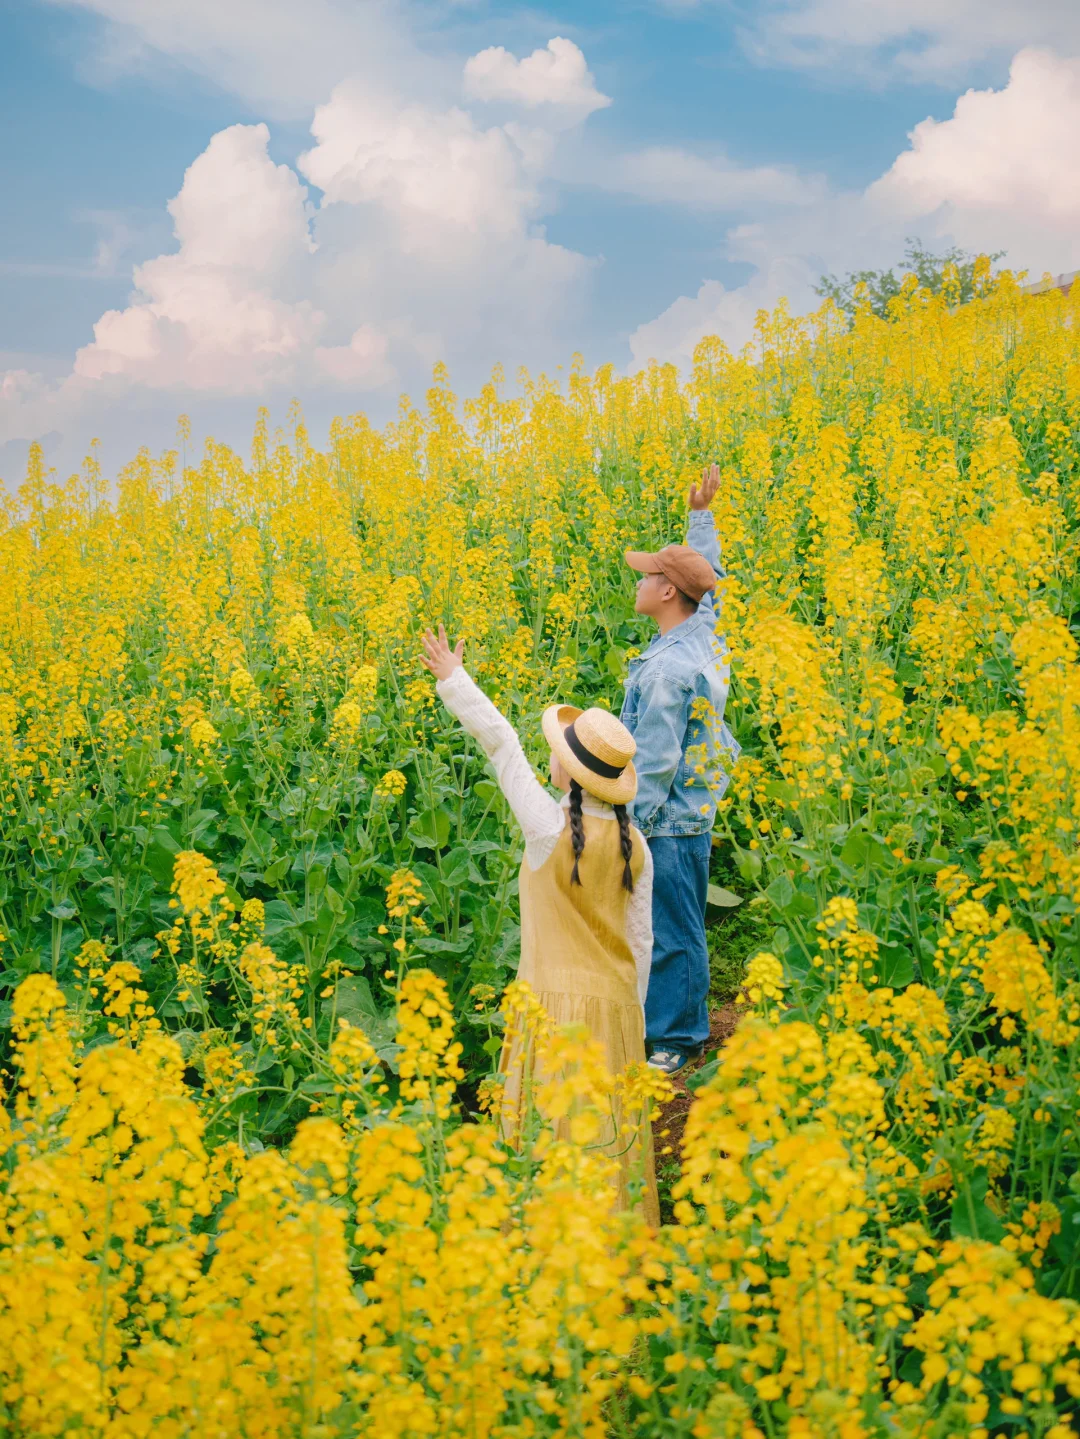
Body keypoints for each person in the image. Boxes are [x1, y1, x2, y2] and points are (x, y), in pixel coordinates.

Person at [421, 625, 659, 1223]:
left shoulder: (547, 829)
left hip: (553, 1009)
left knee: (548, 1135)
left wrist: (454, 678)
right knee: (608, 1138)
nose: (548, 756)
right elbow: (641, 940)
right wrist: (633, 1015)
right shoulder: (638, 844)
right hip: (616, 1011)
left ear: (571, 772)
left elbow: (502, 746)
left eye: (556, 751)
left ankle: (543, 1248)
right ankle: (611, 1250)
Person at [621, 462, 740, 1076]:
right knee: (680, 918)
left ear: (668, 592)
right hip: (697, 807)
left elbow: (657, 760)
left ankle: (678, 1038)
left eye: (647, 577)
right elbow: (709, 582)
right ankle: (674, 1024)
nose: (638, 583)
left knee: (674, 928)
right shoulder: (703, 630)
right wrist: (701, 517)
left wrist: (629, 825)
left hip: (668, 816)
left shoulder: (668, 670)